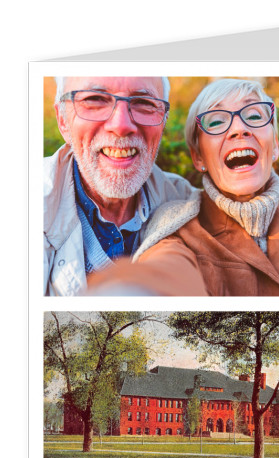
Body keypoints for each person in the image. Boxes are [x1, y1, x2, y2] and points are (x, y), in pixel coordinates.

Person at [87, 78, 279, 296]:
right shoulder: (176, 228)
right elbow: (165, 270)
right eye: (216, 121)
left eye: (254, 116)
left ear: (274, 144)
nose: (239, 129)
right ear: (198, 157)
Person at [44, 76, 198, 296]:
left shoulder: (187, 204)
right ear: (62, 120)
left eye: (144, 103)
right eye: (95, 99)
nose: (121, 125)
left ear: (163, 121)